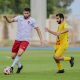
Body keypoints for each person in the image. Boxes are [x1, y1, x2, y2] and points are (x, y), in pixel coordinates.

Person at [4, 8, 44, 74]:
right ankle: (20, 66)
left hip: (25, 40)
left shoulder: (32, 20)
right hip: (17, 39)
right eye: (24, 13)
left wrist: (41, 39)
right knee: (13, 56)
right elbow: (10, 21)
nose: (25, 14)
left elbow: (38, 29)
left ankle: (11, 67)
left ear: (29, 13)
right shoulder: (19, 18)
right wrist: (6, 18)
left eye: (27, 13)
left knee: (19, 53)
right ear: (23, 13)